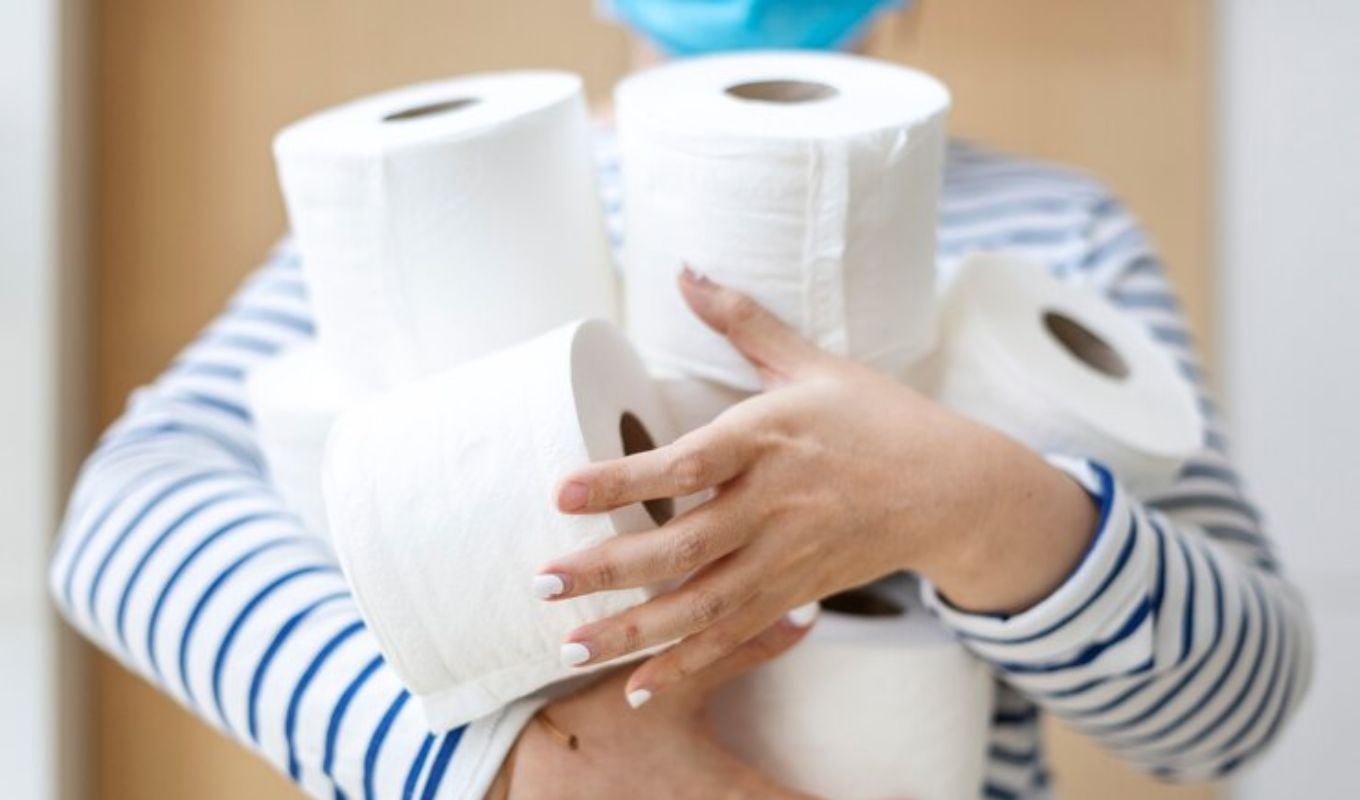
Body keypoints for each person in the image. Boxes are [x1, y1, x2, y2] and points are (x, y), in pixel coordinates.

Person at [50, 1, 1312, 798]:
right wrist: (500, 770)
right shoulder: (435, 202)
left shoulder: (1053, 239)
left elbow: (1235, 706)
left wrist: (978, 506)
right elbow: (124, 515)